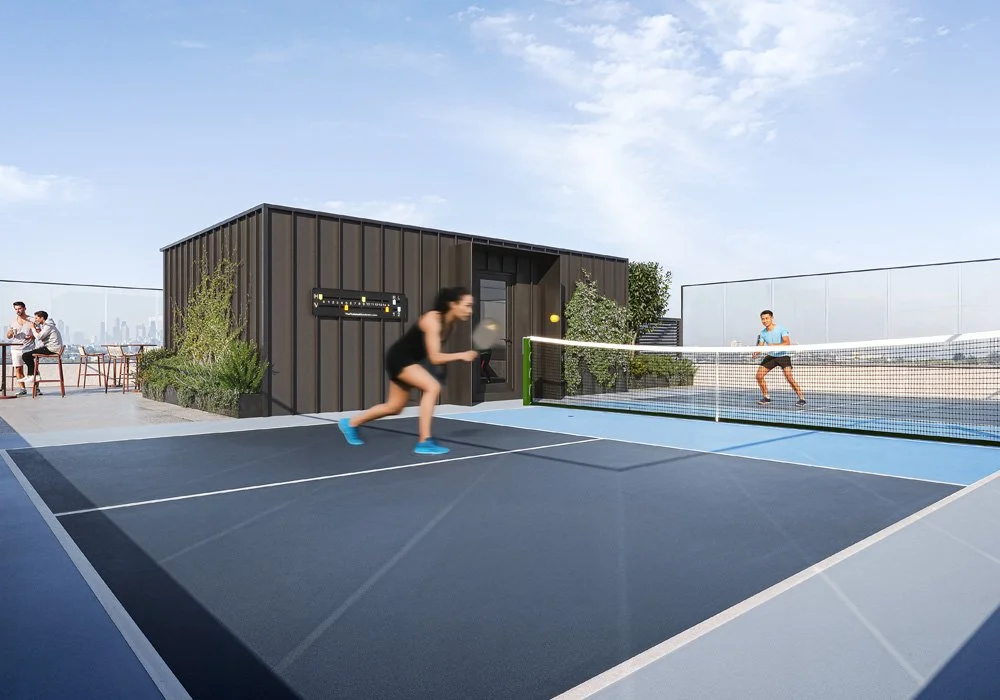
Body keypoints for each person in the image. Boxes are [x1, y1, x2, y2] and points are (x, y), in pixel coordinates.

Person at [338, 286, 479, 454]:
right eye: (467, 305)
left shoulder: (450, 325)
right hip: (399, 358)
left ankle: (350, 423)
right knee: (432, 387)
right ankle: (424, 441)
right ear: (453, 304)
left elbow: (427, 352)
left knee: (394, 407)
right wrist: (461, 355)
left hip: (409, 360)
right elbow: (434, 356)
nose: (470, 311)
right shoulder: (432, 320)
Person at [752, 309, 805, 407]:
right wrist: (756, 352)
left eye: (767, 318)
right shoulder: (763, 332)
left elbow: (787, 343)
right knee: (759, 376)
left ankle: (802, 398)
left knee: (789, 377)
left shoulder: (781, 329)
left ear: (772, 318)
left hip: (783, 356)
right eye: (763, 319)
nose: (765, 321)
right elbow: (760, 345)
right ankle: (766, 397)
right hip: (771, 356)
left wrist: (774, 345)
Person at [22, 310, 63, 395]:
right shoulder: (47, 326)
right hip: (52, 348)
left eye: (37, 318)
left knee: (26, 355)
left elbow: (39, 337)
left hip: (51, 349)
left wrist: (33, 328)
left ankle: (32, 376)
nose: (36, 320)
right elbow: (41, 335)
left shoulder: (48, 326)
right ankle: (33, 375)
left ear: (42, 318)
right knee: (27, 355)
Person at [5, 301, 33, 396]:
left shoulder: (32, 320)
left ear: (25, 308)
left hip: (29, 348)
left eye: (19, 308)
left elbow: (39, 333)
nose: (18, 311)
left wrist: (32, 336)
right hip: (15, 348)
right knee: (18, 369)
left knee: (33, 368)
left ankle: (37, 388)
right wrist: (10, 333)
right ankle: (22, 389)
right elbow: (8, 336)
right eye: (16, 309)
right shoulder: (12, 322)